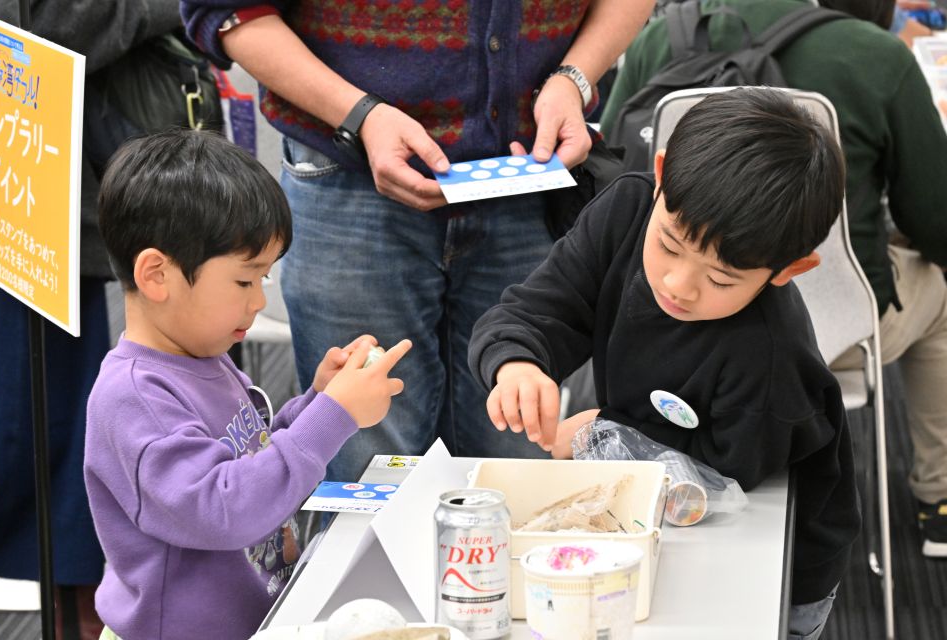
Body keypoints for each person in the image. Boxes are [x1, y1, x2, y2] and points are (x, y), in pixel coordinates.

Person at [179, 0, 657, 483]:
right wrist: (360, 115)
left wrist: (573, 78)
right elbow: (224, 11)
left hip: (527, 180)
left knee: (513, 467)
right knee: (365, 470)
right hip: (348, 170)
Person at [469, 89, 861, 640]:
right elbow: (539, 308)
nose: (679, 285)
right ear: (659, 177)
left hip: (775, 552)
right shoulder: (626, 212)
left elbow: (732, 474)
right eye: (670, 246)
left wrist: (606, 430)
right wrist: (517, 363)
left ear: (788, 270)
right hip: (650, 514)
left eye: (720, 278)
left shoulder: (770, 356)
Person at [600, 0, 947, 559]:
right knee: (939, 292)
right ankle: (939, 500)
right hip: (834, 337)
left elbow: (611, 165)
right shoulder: (878, 55)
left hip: (651, 339)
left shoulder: (657, 37)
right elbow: (935, 219)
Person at [84, 129, 411, 640]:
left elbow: (250, 457)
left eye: (263, 279)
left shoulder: (201, 355)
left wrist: (317, 403)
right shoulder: (134, 399)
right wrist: (334, 417)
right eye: (244, 280)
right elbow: (226, 508)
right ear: (156, 274)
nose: (258, 301)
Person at [0, 2, 184, 638]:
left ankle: (87, 611)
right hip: (31, 199)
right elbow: (27, 31)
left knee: (76, 450)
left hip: (81, 201)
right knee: (24, 435)